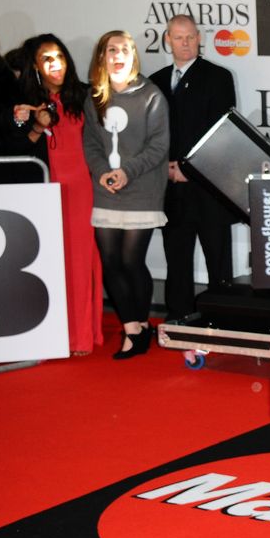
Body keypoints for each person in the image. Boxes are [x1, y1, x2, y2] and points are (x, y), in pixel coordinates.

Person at [8, 34, 103, 355]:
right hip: (43, 194)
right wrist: (34, 125)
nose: (55, 64)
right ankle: (49, 334)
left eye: (59, 56)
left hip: (81, 191)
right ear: (35, 65)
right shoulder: (23, 103)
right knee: (49, 264)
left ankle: (80, 336)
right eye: (46, 58)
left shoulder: (86, 95)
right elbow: (12, 150)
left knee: (79, 262)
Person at [83, 30, 169, 359]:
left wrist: (126, 172)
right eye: (111, 50)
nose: (118, 56)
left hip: (142, 190)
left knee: (132, 261)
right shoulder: (94, 97)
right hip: (106, 190)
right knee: (110, 262)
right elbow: (90, 143)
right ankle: (132, 327)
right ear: (102, 57)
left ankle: (142, 324)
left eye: (124, 50)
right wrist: (102, 172)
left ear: (133, 56)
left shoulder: (151, 96)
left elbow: (159, 146)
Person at [148, 15, 237, 323]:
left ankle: (224, 319)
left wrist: (191, 169)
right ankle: (179, 317)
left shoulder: (218, 77)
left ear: (200, 39)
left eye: (189, 37)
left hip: (209, 187)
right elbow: (150, 136)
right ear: (167, 40)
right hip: (170, 188)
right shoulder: (155, 81)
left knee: (218, 259)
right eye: (177, 37)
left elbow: (222, 132)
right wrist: (166, 169)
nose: (184, 43)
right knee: (177, 258)